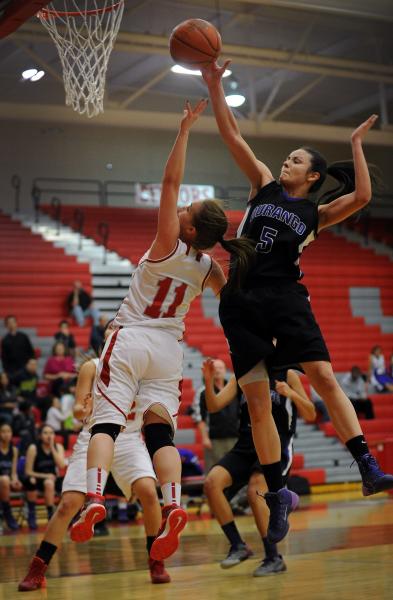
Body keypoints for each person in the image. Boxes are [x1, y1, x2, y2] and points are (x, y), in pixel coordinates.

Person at [201, 60, 393, 543]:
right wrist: (213, 85)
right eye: (286, 157)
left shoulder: (316, 212)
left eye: (295, 160)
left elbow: (364, 196)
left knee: (324, 377)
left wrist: (354, 146)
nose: (285, 162)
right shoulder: (262, 184)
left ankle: (366, 464)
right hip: (242, 300)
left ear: (312, 176)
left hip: (286, 297)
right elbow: (233, 137)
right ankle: (279, 492)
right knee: (259, 403)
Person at [70, 100, 253, 562]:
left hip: (131, 337)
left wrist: (185, 128)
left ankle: (94, 498)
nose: (181, 206)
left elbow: (170, 181)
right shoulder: (209, 265)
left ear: (187, 226)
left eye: (186, 210)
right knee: (161, 437)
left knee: (105, 426)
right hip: (170, 350)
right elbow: (232, 299)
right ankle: (173, 503)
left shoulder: (167, 243)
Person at [18, 356, 170, 591]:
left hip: (128, 439)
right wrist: (83, 410)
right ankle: (38, 567)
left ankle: (156, 560)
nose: (117, 334)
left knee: (149, 492)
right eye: (112, 330)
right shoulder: (93, 366)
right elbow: (77, 411)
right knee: (69, 503)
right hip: (94, 434)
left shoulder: (143, 366)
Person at [202, 358, 315, 576]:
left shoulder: (288, 374)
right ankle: (238, 545)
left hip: (278, 443)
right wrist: (208, 381)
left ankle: (273, 557)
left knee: (256, 491)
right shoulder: (243, 374)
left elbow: (310, 413)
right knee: (211, 483)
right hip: (246, 443)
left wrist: (290, 394)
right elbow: (213, 405)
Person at [191, 358, 239, 473]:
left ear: (225, 370)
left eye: (220, 368)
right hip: (213, 439)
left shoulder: (234, 388)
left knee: (234, 471)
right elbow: (199, 417)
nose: (218, 370)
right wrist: (205, 437)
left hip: (235, 437)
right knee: (214, 471)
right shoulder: (203, 391)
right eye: (215, 368)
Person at [23, 424, 66, 530]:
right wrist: (45, 476)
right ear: (40, 436)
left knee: (59, 482)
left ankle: (66, 515)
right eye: (45, 433)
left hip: (53, 479)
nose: (49, 436)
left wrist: (52, 447)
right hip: (37, 478)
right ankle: (41, 514)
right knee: (46, 482)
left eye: (51, 433)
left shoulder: (58, 447)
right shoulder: (33, 448)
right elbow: (28, 471)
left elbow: (61, 465)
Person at [0, 422, 23, 531]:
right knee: (4, 479)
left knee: (14, 483)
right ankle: (7, 514)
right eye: (3, 432)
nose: (6, 434)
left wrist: (15, 480)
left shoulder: (14, 450)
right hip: (3, 480)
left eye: (8, 431)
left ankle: (4, 513)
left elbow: (13, 472)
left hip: (6, 483)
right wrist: (8, 480)